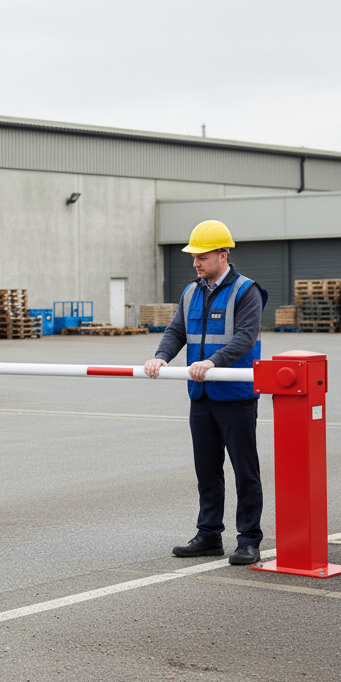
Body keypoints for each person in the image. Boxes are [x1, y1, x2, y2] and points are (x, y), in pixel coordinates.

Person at [144, 220, 268, 565]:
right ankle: (209, 534)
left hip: (236, 396)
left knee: (245, 471)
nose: (196, 262)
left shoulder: (246, 291)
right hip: (201, 396)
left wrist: (213, 362)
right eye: (194, 256)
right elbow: (176, 331)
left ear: (222, 255)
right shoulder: (190, 292)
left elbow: (244, 337)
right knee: (207, 470)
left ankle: (249, 540)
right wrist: (161, 357)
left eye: (202, 256)